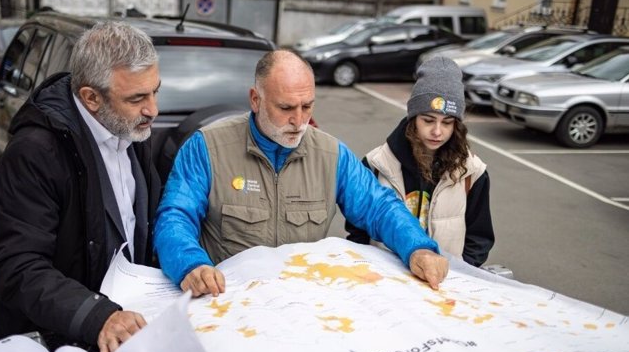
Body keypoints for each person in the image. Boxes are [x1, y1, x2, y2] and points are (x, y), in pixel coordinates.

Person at [154, 49, 448, 298]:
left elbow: (379, 207)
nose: (298, 120)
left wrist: (417, 247)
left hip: (302, 303)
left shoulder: (332, 155)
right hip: (229, 301)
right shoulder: (207, 147)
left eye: (307, 106)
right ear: (255, 99)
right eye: (285, 108)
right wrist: (191, 265)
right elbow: (175, 216)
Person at [0, 21, 162, 352]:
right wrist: (97, 316)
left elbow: (143, 224)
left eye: (156, 91)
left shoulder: (132, 129)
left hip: (122, 335)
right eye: (138, 98)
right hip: (53, 347)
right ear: (91, 98)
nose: (152, 109)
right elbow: (15, 265)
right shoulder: (35, 152)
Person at [346, 57, 494, 267]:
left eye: (447, 123)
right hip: (385, 284)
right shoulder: (376, 164)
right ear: (413, 117)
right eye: (428, 120)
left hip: (443, 285)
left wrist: (460, 275)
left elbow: (479, 239)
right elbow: (357, 231)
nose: (437, 131)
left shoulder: (472, 172)